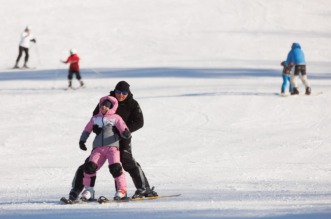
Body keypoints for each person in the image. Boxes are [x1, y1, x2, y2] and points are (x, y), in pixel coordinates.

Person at [68, 81, 158, 201]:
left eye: (124, 93)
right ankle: (76, 190)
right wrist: (96, 128)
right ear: (115, 91)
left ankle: (143, 188)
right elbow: (96, 116)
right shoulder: (107, 101)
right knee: (89, 164)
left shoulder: (132, 104)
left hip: (123, 138)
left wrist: (124, 131)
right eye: (118, 92)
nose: (121, 95)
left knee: (126, 161)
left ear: (128, 93)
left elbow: (139, 122)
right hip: (105, 139)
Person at [79, 95, 131, 200]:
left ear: (111, 107)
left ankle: (122, 190)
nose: (104, 108)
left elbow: (123, 127)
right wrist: (82, 140)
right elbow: (87, 130)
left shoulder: (115, 118)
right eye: (102, 106)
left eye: (107, 106)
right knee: (90, 167)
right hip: (98, 148)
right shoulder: (95, 118)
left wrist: (125, 133)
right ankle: (89, 190)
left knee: (115, 167)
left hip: (112, 147)